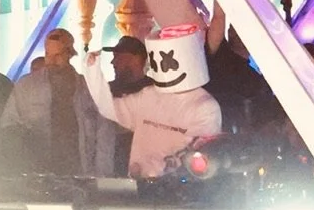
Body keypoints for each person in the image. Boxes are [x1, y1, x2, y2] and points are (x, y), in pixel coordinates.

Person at [82, 26, 221, 178]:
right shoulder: (149, 95)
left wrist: (151, 170)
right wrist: (92, 70)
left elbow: (197, 153)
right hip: (140, 181)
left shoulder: (205, 107)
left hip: (178, 187)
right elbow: (110, 109)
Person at [0, 29, 96, 177]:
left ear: (69, 54)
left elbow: (101, 131)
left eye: (58, 55)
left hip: (78, 167)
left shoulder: (87, 87)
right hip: (37, 168)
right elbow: (9, 124)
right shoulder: (27, 86)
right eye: (48, 54)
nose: (51, 61)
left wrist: (101, 171)